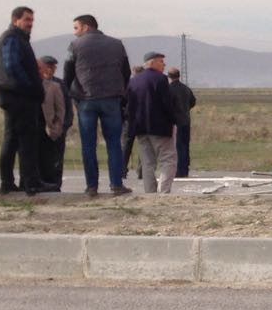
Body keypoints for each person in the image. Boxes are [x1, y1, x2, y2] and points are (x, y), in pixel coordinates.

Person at [63, 14, 132, 197]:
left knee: (88, 144)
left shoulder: (75, 45)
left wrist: (69, 94)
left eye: (76, 28)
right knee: (114, 143)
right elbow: (126, 72)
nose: (75, 32)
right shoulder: (117, 44)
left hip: (86, 100)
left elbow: (68, 73)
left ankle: (91, 186)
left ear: (86, 27)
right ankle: (116, 184)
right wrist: (121, 93)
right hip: (111, 99)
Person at [0, 5, 45, 195]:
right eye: (27, 20)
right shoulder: (12, 38)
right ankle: (28, 183)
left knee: (15, 139)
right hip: (18, 97)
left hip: (16, 95)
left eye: (32, 20)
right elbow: (12, 66)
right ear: (16, 20)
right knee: (24, 140)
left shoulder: (19, 39)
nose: (30, 24)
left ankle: (13, 182)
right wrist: (30, 86)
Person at [125, 51, 178, 193]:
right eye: (161, 61)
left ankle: (150, 192)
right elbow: (166, 103)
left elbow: (129, 105)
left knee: (147, 162)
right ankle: (164, 191)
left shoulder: (134, 80)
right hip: (159, 127)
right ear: (152, 62)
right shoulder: (161, 79)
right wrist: (174, 119)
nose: (164, 64)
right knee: (168, 160)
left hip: (140, 127)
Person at [38, 56, 68, 192]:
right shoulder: (35, 82)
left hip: (56, 127)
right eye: (48, 67)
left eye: (53, 67)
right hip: (38, 127)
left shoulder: (59, 84)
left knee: (56, 158)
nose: (50, 70)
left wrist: (63, 124)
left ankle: (55, 185)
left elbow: (65, 106)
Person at [166, 66, 198, 179]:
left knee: (177, 146)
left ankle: (179, 170)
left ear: (168, 76)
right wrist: (186, 109)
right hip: (186, 120)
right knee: (185, 144)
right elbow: (193, 101)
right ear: (179, 76)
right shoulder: (186, 88)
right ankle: (185, 168)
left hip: (175, 122)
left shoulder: (168, 89)